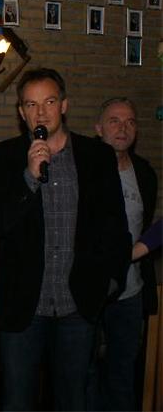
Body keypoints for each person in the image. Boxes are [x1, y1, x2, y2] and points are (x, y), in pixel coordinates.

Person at [0, 68, 131, 410]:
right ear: (21, 112)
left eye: (49, 102)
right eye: (31, 104)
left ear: (64, 105)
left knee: (73, 400)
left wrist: (109, 283)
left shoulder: (97, 157)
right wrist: (29, 178)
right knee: (17, 402)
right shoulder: (2, 158)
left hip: (78, 305)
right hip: (23, 308)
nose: (40, 112)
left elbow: (115, 228)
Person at [89, 98, 158, 411]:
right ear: (98, 128)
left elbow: (147, 227)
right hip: (88, 292)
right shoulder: (83, 169)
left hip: (130, 292)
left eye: (130, 121)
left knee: (122, 374)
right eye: (114, 121)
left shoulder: (144, 172)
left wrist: (132, 254)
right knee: (83, 374)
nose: (123, 128)